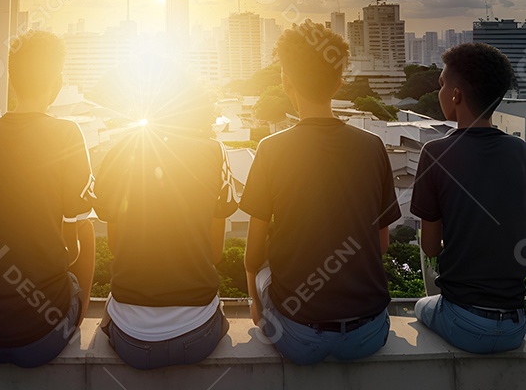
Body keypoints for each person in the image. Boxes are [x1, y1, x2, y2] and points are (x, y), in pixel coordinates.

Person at [241, 21, 401, 365]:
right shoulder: (373, 147)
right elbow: (382, 244)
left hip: (298, 338)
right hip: (368, 335)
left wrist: (256, 303)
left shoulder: (271, 149)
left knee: (265, 272)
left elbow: (253, 255)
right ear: (339, 81)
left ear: (285, 82)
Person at [0, 31, 95, 368]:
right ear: (57, 82)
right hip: (40, 337)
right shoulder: (67, 134)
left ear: (13, 80)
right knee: (86, 230)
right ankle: (76, 321)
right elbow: (74, 244)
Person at [93, 78, 238, 369]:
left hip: (129, 340)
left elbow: (114, 244)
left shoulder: (119, 150)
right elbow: (215, 253)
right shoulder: (214, 152)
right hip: (198, 335)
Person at [412, 42, 526, 354]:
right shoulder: (520, 152)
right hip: (516, 325)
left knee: (421, 306)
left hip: (464, 323)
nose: (439, 92)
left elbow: (430, 247)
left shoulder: (435, 153)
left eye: (441, 84)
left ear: (456, 95)